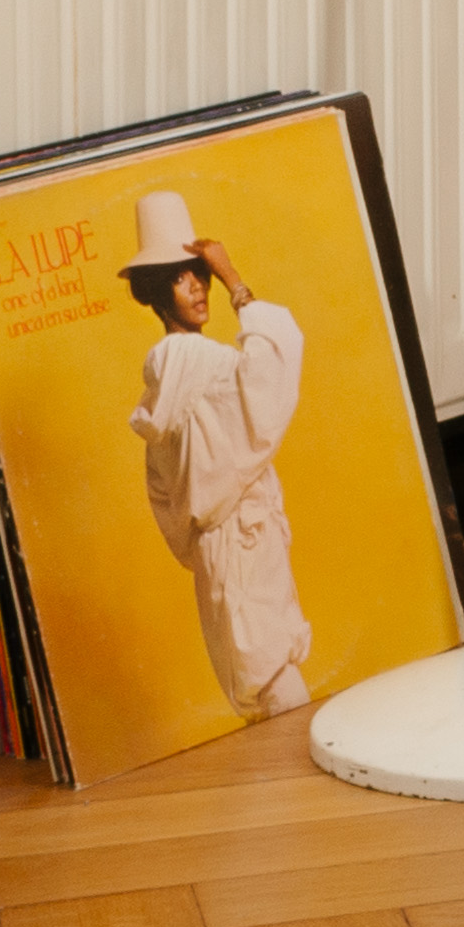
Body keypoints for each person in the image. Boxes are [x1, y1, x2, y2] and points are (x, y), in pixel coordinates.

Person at [124, 199, 317, 721]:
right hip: (241, 541)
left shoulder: (167, 377)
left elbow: (162, 493)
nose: (198, 288)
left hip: (221, 548)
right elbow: (274, 363)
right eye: (181, 279)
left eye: (200, 276)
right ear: (156, 292)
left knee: (260, 683)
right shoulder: (193, 359)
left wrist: (199, 533)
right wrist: (234, 279)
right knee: (274, 680)